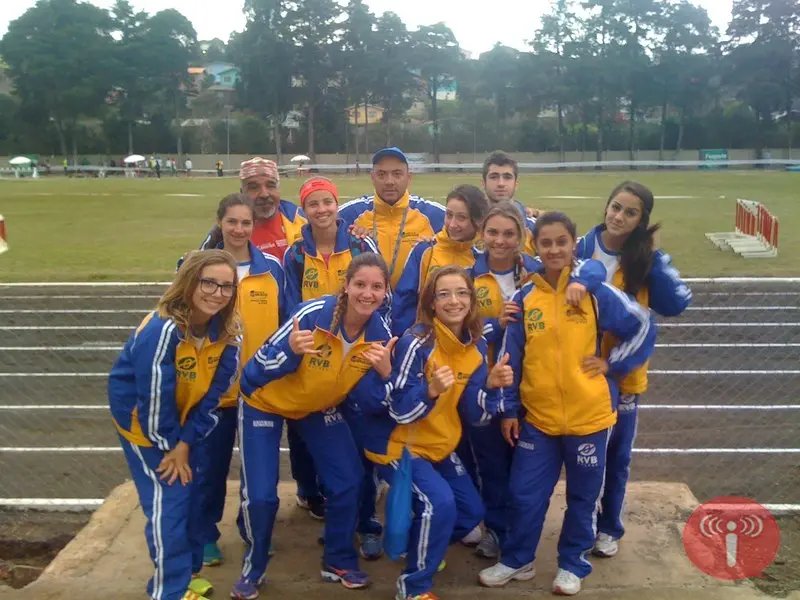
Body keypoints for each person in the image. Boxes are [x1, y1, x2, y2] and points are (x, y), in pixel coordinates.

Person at [478, 211, 656, 596]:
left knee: (582, 497)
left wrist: (613, 364)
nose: (554, 249)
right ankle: (518, 559)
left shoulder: (595, 292)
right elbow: (510, 360)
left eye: (562, 242)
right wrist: (509, 410)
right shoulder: (525, 298)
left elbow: (642, 326)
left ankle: (573, 564)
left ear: (574, 244)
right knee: (524, 493)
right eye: (546, 243)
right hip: (539, 421)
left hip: (589, 418)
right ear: (535, 246)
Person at [232, 253, 395, 600]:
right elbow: (251, 374)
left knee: (348, 479)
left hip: (316, 407)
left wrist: (386, 375)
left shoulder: (380, 335)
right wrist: (290, 353)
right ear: (346, 286)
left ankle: (337, 559)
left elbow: (370, 398)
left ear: (385, 292)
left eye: (377, 287)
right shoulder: (312, 315)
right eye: (360, 284)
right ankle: (254, 566)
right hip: (265, 401)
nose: (368, 293)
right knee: (262, 496)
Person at [360, 265, 514, 600]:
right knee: (439, 503)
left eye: (461, 293)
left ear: (471, 300)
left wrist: (490, 388)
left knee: (471, 513)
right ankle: (413, 588)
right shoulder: (417, 342)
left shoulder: (475, 347)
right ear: (431, 303)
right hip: (399, 444)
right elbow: (398, 409)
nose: (453, 301)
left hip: (439, 444)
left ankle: (422, 547)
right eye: (443, 294)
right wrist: (429, 391)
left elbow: (475, 415)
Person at [108, 249, 241, 600]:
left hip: (183, 426)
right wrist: (170, 447)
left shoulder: (228, 334)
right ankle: (168, 591)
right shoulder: (163, 329)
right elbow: (153, 398)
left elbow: (213, 400)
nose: (217, 293)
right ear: (189, 282)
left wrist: (186, 442)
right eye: (208, 283)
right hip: (145, 428)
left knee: (195, 496)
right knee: (171, 503)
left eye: (226, 286)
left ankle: (188, 574)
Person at [575, 181, 691, 559]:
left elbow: (676, 304)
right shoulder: (581, 248)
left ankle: (609, 526)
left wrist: (654, 263)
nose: (619, 216)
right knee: (585, 456)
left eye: (630, 212)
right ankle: (582, 524)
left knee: (617, 457)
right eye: (615, 207)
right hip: (580, 373)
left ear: (642, 220)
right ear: (606, 207)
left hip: (623, 376)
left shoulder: (646, 259)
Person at [282, 176, 381, 530]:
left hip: (353, 349)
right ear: (304, 209)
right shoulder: (295, 253)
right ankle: (310, 491)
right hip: (311, 353)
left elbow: (378, 290)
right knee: (303, 422)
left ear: (337, 205)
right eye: (313, 204)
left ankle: (362, 499)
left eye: (327, 202)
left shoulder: (359, 243)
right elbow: (291, 306)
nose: (321, 209)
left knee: (355, 424)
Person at [195, 194, 286, 568]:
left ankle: (253, 530)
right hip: (213, 391)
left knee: (258, 471)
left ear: (254, 226)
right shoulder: (199, 267)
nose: (238, 229)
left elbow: (285, 323)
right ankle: (204, 535)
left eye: (245, 222)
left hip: (259, 390)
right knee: (209, 468)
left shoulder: (273, 269)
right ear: (220, 222)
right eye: (231, 221)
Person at [465, 202, 540, 560]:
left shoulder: (538, 273)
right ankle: (495, 529)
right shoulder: (467, 277)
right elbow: (458, 334)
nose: (500, 240)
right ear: (482, 234)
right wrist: (497, 324)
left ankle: (521, 532)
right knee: (491, 463)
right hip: (484, 385)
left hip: (530, 386)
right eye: (493, 232)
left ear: (522, 236)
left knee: (525, 468)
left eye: (509, 233)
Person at [338, 147, 445, 288]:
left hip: (414, 300)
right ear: (372, 178)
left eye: (397, 174)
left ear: (409, 177)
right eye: (381, 174)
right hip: (368, 298)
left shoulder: (434, 214)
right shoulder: (351, 213)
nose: (389, 181)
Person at [391, 184, 489, 337]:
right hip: (427, 342)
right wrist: (406, 339)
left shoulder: (483, 258)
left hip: (467, 344)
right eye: (449, 215)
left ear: (478, 220)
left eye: (461, 217)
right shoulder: (425, 251)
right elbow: (404, 302)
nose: (452, 224)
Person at [201, 157, 306, 261]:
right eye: (254, 187)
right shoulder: (224, 232)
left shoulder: (304, 220)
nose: (264, 194)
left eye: (270, 185)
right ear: (242, 192)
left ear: (278, 189)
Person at [481, 151, 537, 254]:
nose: (501, 183)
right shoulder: (468, 225)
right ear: (483, 183)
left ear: (516, 184)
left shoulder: (533, 228)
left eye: (507, 177)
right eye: (494, 177)